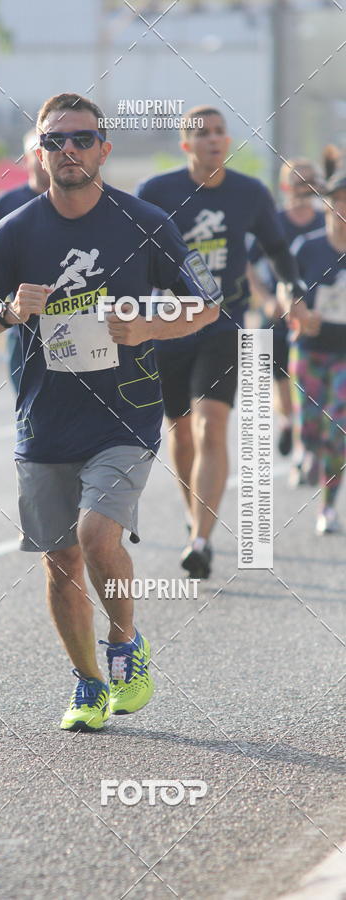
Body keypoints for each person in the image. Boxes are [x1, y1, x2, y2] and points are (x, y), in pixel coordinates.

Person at [0, 92, 221, 732]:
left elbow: (206, 307)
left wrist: (148, 325)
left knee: (98, 536)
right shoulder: (14, 231)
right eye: (54, 142)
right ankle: (88, 684)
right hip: (44, 418)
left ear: (104, 148)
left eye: (80, 139)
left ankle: (126, 645)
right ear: (40, 155)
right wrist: (10, 313)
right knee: (60, 558)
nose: (67, 151)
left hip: (123, 414)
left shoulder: (146, 222)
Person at [136, 106, 306, 579]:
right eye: (201, 134)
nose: (213, 140)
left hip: (224, 323)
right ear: (186, 145)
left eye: (220, 133)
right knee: (182, 430)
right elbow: (130, 252)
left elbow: (277, 251)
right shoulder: (157, 192)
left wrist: (291, 289)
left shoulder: (249, 193)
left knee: (213, 425)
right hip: (169, 324)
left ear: (227, 142)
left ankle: (201, 540)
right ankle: (196, 516)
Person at [279, 170, 346, 534]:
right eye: (339, 198)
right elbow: (285, 287)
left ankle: (328, 507)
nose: (344, 207)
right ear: (327, 203)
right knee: (310, 427)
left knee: (339, 426)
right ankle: (306, 451)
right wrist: (298, 311)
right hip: (308, 349)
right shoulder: (308, 247)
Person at [246, 159, 325, 461]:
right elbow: (246, 263)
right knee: (281, 378)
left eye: (310, 181)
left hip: (318, 313)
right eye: (298, 182)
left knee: (314, 378)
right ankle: (288, 421)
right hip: (279, 314)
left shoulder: (326, 220)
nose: (305, 188)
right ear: (285, 187)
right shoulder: (274, 221)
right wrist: (266, 299)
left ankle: (311, 434)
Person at [0, 129, 50, 393]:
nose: (44, 156)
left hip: (75, 321)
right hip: (22, 324)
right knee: (29, 405)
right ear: (27, 158)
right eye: (37, 151)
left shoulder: (80, 203)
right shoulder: (8, 203)